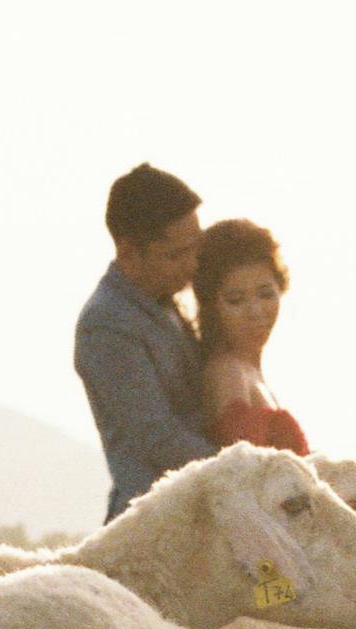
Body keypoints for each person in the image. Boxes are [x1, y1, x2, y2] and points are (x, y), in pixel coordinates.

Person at [73, 163, 218, 518]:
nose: (192, 265)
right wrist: (245, 466)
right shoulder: (106, 324)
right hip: (155, 527)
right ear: (128, 251)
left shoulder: (163, 301)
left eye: (194, 250)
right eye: (176, 255)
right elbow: (158, 438)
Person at [194, 219, 306, 453]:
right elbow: (244, 473)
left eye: (266, 294)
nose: (255, 312)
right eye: (236, 300)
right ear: (212, 305)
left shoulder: (248, 368)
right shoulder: (228, 371)